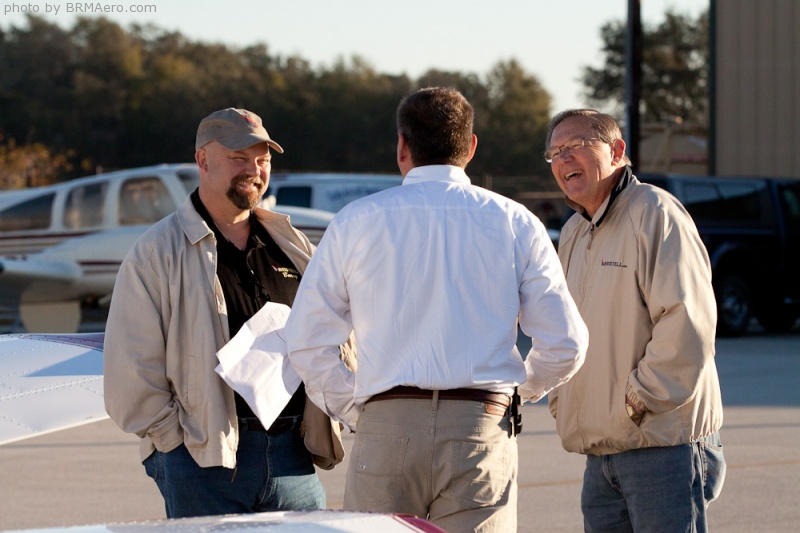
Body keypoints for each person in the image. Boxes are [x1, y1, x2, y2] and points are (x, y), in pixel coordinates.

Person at [283, 87, 589, 532]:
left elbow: (307, 341)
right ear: (470, 147)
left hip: (384, 425)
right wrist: (517, 394)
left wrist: (358, 409)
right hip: (480, 426)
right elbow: (566, 343)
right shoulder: (514, 220)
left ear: (402, 146)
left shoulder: (355, 221)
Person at [104, 107, 350, 519]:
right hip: (202, 461)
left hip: (293, 457)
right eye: (239, 158)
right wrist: (176, 446)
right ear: (202, 160)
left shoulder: (294, 247)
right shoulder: (156, 253)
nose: (253, 170)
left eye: (263, 159)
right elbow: (130, 370)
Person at [544, 109, 726, 533]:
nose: (563, 159)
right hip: (602, 452)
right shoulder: (573, 232)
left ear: (617, 151)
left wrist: (638, 400)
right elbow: (564, 330)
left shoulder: (655, 212)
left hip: (663, 447)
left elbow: (688, 323)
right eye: (554, 152)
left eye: (576, 146)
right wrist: (565, 403)